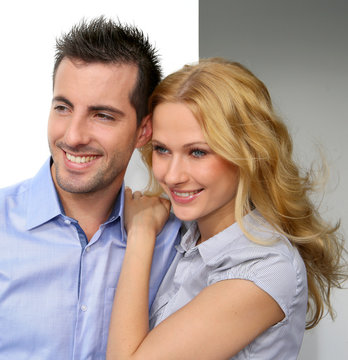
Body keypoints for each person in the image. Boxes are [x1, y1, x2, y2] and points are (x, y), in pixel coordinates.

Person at [0, 17, 182, 359]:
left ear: (143, 131)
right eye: (63, 107)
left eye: (102, 115)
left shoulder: (175, 244)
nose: (73, 136)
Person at [105, 58, 346, 359]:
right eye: (162, 149)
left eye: (197, 152)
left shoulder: (265, 270)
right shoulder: (185, 235)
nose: (172, 175)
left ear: (247, 153)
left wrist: (140, 233)